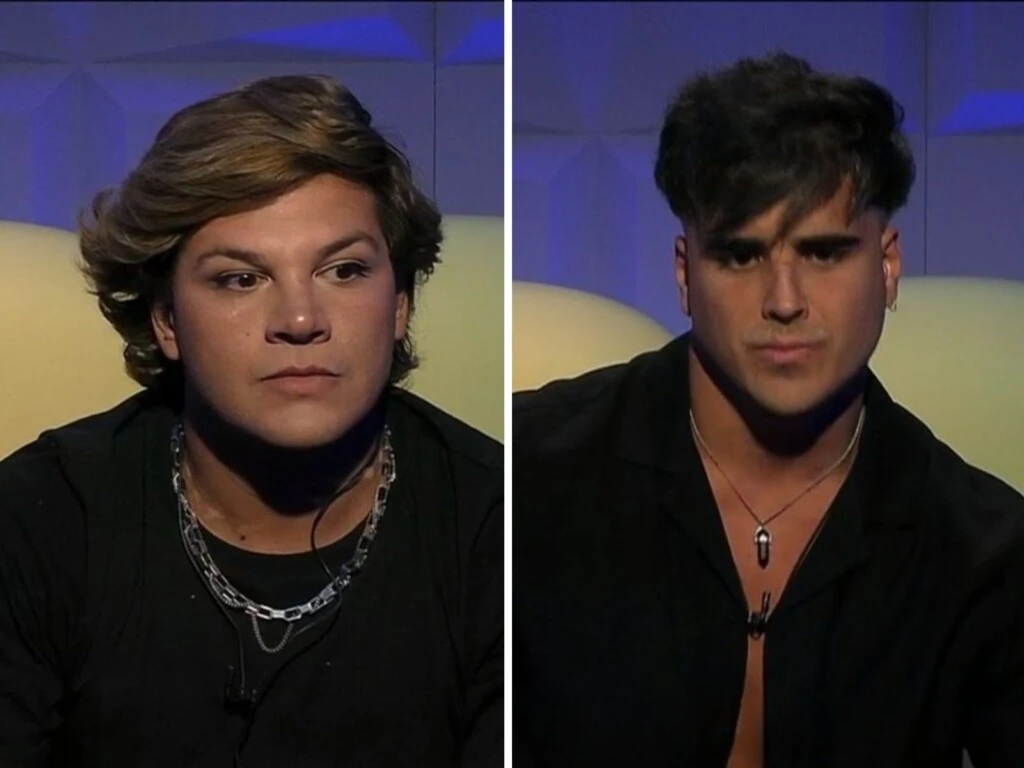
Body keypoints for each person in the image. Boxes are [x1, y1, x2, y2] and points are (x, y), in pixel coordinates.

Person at [513, 52, 1024, 768]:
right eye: (742, 256)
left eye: (823, 253)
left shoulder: (983, 550)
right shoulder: (527, 478)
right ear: (685, 274)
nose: (784, 301)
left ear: (887, 266)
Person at [0, 74, 502, 767]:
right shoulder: (41, 518)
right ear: (166, 319)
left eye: (344, 271)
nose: (299, 319)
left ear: (400, 305)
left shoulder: (505, 529)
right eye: (240, 278)